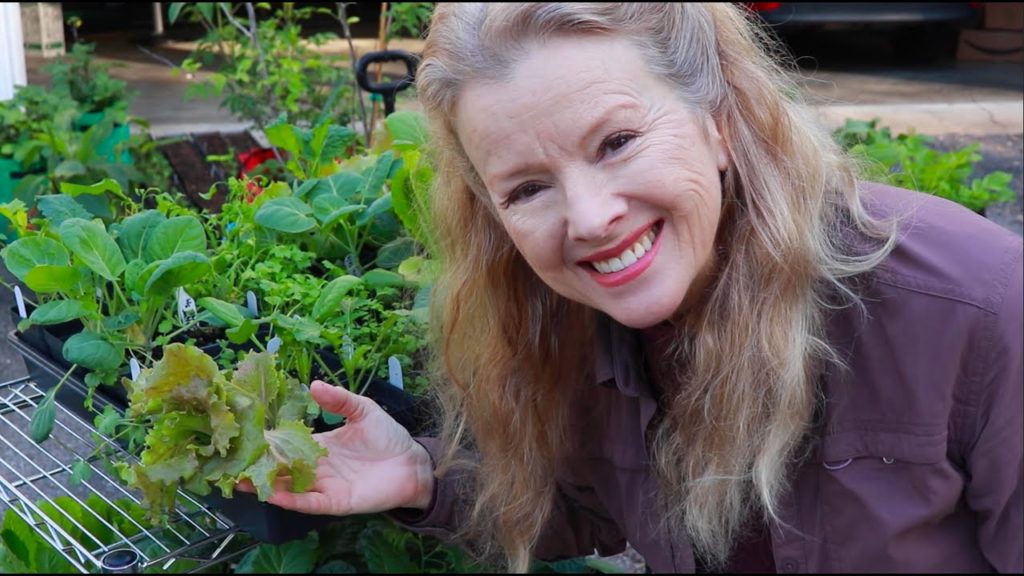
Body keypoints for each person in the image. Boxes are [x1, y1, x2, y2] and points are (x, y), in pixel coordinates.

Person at [251, 3, 1023, 573]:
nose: (588, 219)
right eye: (526, 189)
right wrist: (422, 476)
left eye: (617, 142)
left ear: (719, 121)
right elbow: (582, 501)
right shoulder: (570, 324)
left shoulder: (976, 311)